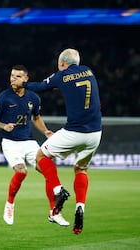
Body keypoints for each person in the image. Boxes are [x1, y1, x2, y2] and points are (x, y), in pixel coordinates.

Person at [19, 48, 102, 234]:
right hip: (95, 133)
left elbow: (41, 86)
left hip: (74, 131)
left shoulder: (62, 75)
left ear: (63, 63)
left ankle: (58, 190)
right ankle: (80, 206)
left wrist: (23, 83)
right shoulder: (89, 71)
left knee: (40, 157)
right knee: (80, 169)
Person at [0, 65, 69, 226]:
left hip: (29, 141)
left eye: (17, 76)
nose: (13, 79)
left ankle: (54, 212)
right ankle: (10, 204)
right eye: (12, 76)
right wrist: (3, 126)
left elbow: (36, 118)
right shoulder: (4, 97)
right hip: (10, 142)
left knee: (47, 169)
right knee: (21, 171)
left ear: (26, 79)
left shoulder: (34, 98)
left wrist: (46, 131)